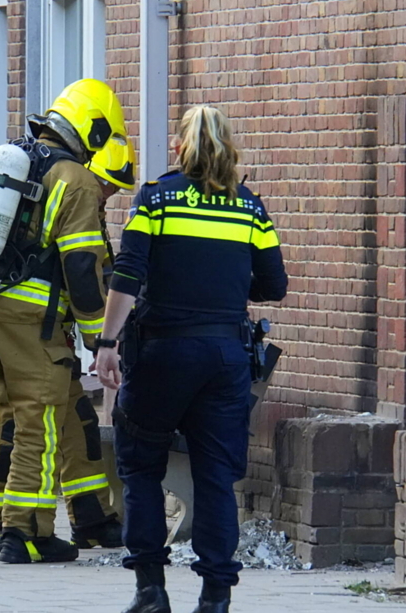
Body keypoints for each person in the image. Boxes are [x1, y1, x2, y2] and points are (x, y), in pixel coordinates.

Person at [0, 78, 135, 567]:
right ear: (94, 133)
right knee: (36, 419)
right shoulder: (76, 181)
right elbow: (82, 269)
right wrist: (98, 338)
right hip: (29, 321)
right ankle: (29, 533)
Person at [95, 106, 287, 613]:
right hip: (225, 357)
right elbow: (274, 286)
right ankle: (216, 598)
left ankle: (151, 591)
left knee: (140, 468)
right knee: (216, 476)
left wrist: (107, 344)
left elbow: (128, 273)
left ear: (179, 147)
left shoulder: (156, 199)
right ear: (229, 148)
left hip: (161, 354)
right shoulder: (250, 209)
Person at [0, 229, 125, 552]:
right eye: (105, 188)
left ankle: (91, 516)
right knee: (13, 424)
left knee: (81, 423)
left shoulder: (86, 209)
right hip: (22, 333)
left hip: (54, 340)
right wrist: (99, 342)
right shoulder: (62, 197)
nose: (105, 197)